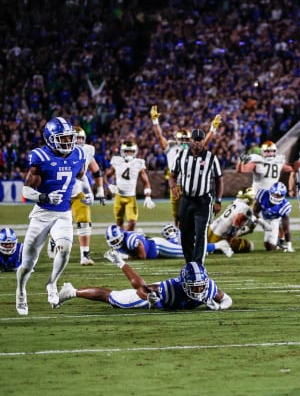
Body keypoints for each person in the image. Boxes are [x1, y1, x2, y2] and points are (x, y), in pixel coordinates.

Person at [16, 117, 89, 315]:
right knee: (28, 263)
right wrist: (44, 195)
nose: (68, 142)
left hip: (64, 213)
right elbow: (25, 191)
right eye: (62, 138)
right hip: (42, 214)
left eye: (69, 138)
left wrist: (89, 192)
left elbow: (81, 177)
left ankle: (52, 283)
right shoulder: (40, 157)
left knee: (64, 250)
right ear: (50, 139)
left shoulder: (78, 154)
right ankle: (21, 291)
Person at [57, 253, 232, 311]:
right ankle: (72, 291)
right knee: (112, 297)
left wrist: (219, 307)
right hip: (150, 297)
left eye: (201, 285)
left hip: (161, 296)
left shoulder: (208, 288)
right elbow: (141, 289)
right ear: (184, 283)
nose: (200, 289)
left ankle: (120, 262)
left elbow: (227, 299)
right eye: (195, 286)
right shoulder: (170, 288)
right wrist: (151, 299)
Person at [150, 105, 220, 225]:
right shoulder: (170, 148)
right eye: (181, 139)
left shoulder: (194, 149)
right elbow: (159, 136)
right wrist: (155, 121)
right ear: (176, 139)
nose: (183, 141)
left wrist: (212, 129)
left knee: (192, 214)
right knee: (177, 216)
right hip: (176, 184)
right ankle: (178, 238)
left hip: (191, 184)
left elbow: (206, 142)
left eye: (186, 139)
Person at [168, 128, 224, 264]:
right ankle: (189, 262)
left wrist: (218, 200)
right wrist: (173, 186)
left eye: (200, 140)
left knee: (200, 233)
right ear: (190, 140)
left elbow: (219, 179)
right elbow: (172, 175)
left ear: (204, 141)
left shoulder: (211, 158)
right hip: (186, 199)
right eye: (195, 140)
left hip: (203, 200)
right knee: (185, 232)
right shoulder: (181, 156)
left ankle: (198, 263)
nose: (197, 143)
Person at [70, 126, 106, 265]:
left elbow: (94, 172)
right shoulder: (59, 152)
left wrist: (96, 191)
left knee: (85, 221)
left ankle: (85, 255)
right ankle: (54, 242)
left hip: (77, 192)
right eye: (76, 138)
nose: (78, 141)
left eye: (81, 138)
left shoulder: (87, 150)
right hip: (60, 193)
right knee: (60, 224)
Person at [105, 140, 155, 231]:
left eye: (131, 151)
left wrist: (148, 196)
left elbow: (146, 182)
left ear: (135, 152)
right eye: (127, 151)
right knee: (119, 223)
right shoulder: (117, 161)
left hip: (131, 197)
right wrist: (110, 185)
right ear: (122, 152)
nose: (129, 153)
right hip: (119, 197)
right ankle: (122, 242)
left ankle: (128, 239)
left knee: (132, 223)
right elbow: (106, 176)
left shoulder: (138, 163)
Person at [104, 224, 222, 259]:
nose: (115, 244)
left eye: (115, 241)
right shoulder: (125, 238)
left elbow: (143, 256)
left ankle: (218, 246)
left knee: (188, 251)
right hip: (155, 246)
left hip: (159, 247)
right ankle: (175, 237)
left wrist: (124, 257)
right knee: (187, 249)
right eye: (112, 242)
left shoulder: (130, 240)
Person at [208, 187, 266, 255]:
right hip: (221, 236)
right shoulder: (246, 208)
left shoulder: (235, 202)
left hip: (211, 228)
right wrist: (230, 238)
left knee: (202, 246)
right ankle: (217, 247)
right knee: (250, 246)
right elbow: (236, 222)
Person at [252, 182, 294, 251]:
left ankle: (280, 243)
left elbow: (286, 228)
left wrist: (289, 245)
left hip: (274, 220)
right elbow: (255, 211)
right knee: (248, 224)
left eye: (279, 196)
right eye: (275, 194)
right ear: (270, 192)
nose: (277, 197)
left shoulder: (284, 206)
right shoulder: (263, 195)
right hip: (261, 217)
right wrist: (261, 222)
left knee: (270, 247)